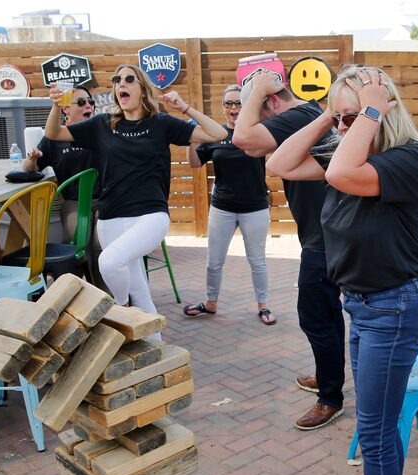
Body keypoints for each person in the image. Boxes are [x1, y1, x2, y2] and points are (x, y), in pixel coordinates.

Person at [267, 65, 418, 475]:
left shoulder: (410, 159)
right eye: (340, 117)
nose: (345, 127)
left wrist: (367, 108)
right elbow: (279, 161)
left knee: (375, 430)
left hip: (395, 305)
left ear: (383, 109)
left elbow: (342, 174)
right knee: (379, 424)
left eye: (353, 116)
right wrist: (328, 116)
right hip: (365, 306)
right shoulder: (349, 150)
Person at [43, 64, 227, 328]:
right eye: (117, 79)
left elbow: (218, 133)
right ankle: (155, 350)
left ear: (142, 89)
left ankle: (119, 308)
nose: (121, 84)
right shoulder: (102, 124)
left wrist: (185, 108)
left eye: (129, 79)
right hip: (110, 219)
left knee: (109, 261)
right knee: (141, 293)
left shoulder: (161, 123)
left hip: (150, 216)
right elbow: (54, 134)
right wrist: (55, 106)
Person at [233, 69, 346, 430]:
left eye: (258, 107)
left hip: (326, 238)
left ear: (273, 102)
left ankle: (331, 398)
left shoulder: (294, 116)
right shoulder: (307, 115)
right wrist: (258, 96)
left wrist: (258, 91)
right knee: (326, 312)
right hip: (324, 233)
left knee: (314, 314)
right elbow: (253, 144)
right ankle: (330, 376)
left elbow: (242, 138)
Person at [183, 84, 275, 326]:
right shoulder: (216, 136)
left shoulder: (257, 132)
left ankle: (263, 306)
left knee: (257, 260)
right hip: (222, 208)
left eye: (238, 103)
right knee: (214, 261)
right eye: (228, 104)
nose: (234, 108)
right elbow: (194, 164)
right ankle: (211, 302)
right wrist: (191, 140)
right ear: (223, 108)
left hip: (255, 207)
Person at [22, 84, 104, 288]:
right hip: (74, 202)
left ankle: (107, 297)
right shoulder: (55, 139)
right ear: (66, 109)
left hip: (105, 199)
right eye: (82, 102)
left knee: (100, 245)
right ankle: (73, 294)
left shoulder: (100, 131)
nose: (89, 106)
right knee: (78, 246)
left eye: (91, 102)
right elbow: (28, 168)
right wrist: (32, 158)